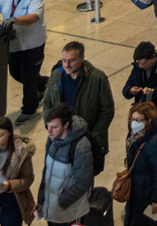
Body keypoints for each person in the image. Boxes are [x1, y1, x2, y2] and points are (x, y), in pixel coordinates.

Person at [41, 42, 115, 174]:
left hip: (85, 141)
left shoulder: (97, 78)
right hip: (59, 138)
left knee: (83, 181)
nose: (66, 65)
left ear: (82, 58)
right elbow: (47, 103)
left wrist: (95, 136)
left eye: (71, 60)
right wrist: (51, 125)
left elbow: (107, 111)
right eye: (64, 60)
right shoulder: (57, 75)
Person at [36, 103, 94, 226]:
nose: (49, 131)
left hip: (69, 214)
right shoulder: (51, 139)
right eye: (48, 126)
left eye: (54, 127)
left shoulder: (81, 146)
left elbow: (84, 181)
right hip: (52, 211)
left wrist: (61, 202)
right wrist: (41, 199)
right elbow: (47, 170)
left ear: (66, 125)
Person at [122, 102, 157, 226]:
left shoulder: (155, 141)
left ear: (148, 121)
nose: (134, 123)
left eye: (138, 120)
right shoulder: (133, 136)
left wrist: (156, 200)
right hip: (135, 192)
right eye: (132, 119)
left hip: (148, 196)